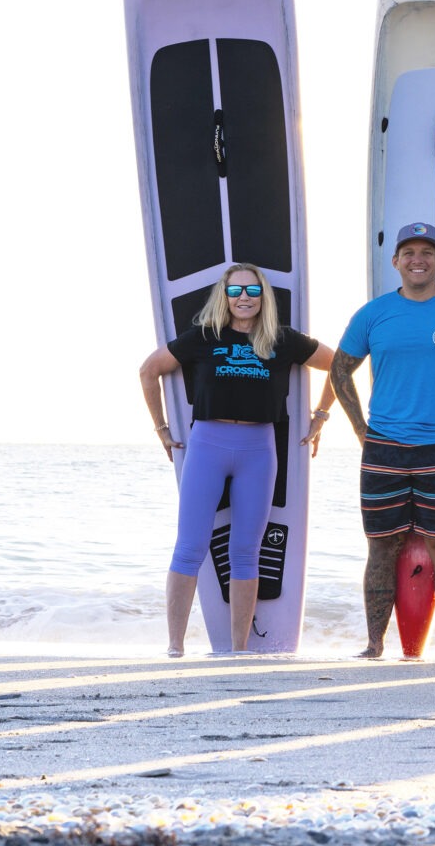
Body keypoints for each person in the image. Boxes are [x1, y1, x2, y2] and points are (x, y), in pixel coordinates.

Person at [329, 222, 435, 660]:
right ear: (396, 262)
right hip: (384, 447)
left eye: (427, 252)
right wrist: (358, 427)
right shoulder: (373, 313)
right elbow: (338, 370)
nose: (418, 259)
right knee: (381, 547)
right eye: (409, 252)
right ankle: (373, 645)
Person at [138, 266, 332, 657]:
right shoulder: (204, 337)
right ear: (223, 295)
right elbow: (149, 369)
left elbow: (342, 363)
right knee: (189, 547)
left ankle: (238, 650)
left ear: (264, 295)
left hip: (259, 450)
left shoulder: (282, 340)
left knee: (246, 550)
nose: (244, 297)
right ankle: (175, 647)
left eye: (253, 289)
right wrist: (160, 426)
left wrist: (321, 415)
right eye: (235, 290)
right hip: (207, 443)